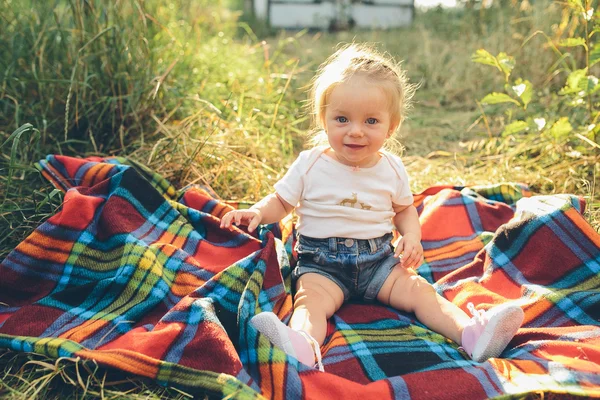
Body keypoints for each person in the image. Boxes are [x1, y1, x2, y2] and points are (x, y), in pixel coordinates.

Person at [220, 43, 524, 371]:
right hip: (322, 265)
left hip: (379, 263)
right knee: (310, 303)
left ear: (391, 127)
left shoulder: (391, 168)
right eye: (342, 118)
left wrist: (412, 236)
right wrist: (257, 212)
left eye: (371, 121)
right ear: (323, 119)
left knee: (421, 291)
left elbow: (405, 210)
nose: (355, 131)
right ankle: (304, 346)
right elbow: (281, 201)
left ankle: (472, 335)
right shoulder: (310, 164)